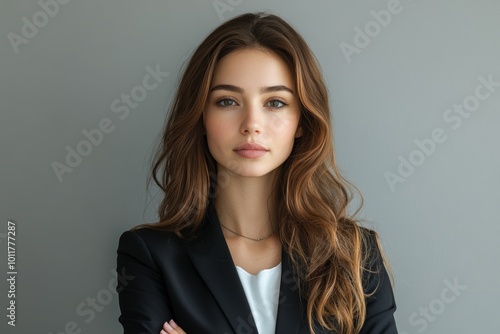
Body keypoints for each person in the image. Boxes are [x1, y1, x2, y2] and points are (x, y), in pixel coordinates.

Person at [116, 12, 398, 334]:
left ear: (302, 122)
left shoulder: (355, 254)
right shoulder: (150, 256)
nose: (252, 123)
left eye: (275, 102)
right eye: (227, 101)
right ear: (201, 118)